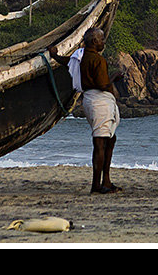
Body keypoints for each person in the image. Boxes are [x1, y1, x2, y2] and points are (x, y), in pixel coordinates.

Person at [49, 27, 123, 194]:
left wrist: (53, 55)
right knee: (100, 143)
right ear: (94, 41)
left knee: (110, 139)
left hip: (91, 101)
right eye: (102, 39)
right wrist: (115, 77)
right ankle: (97, 185)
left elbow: (66, 61)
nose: (104, 42)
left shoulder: (80, 58)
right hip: (100, 102)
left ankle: (106, 181)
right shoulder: (98, 60)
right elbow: (103, 85)